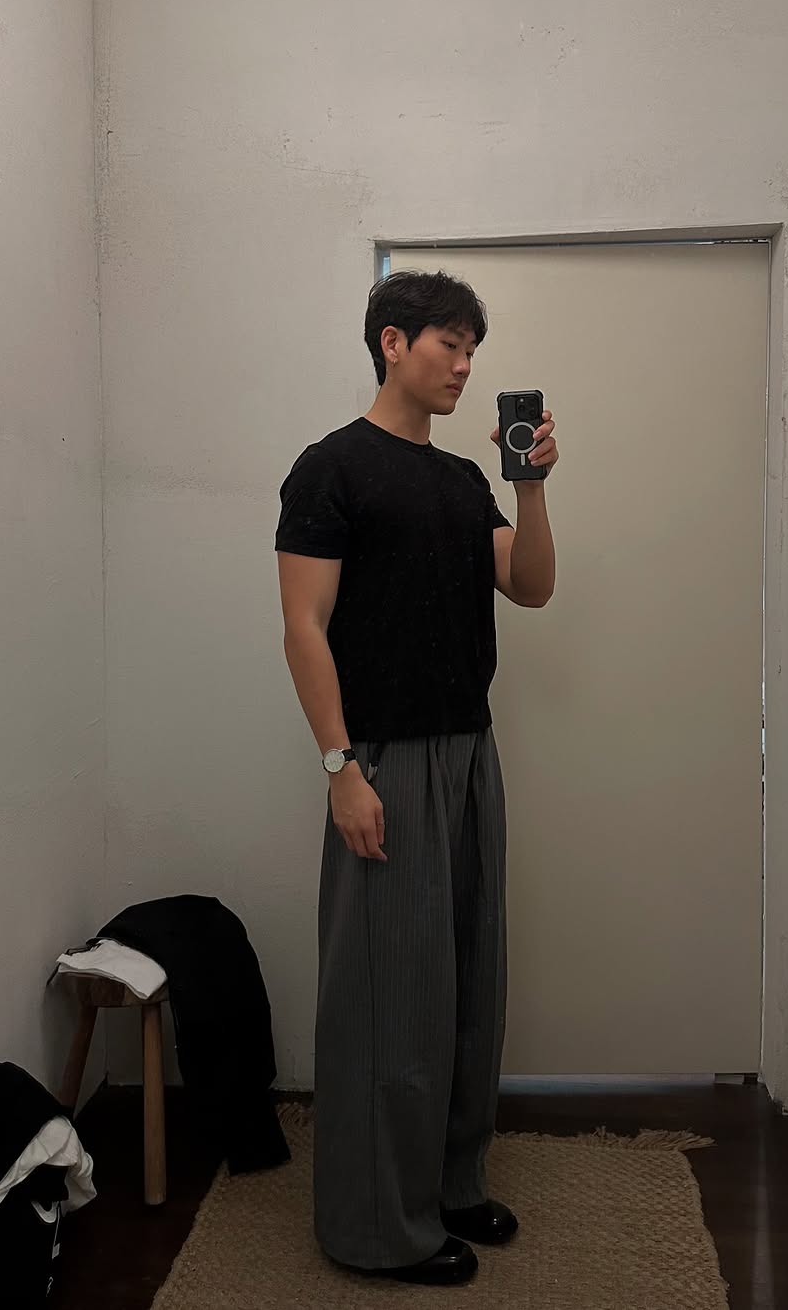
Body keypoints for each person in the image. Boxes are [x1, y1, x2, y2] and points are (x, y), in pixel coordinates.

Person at [274, 269, 558, 1286]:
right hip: (383, 760)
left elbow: (531, 585)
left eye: (473, 349)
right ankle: (375, 1228)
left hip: (469, 753)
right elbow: (304, 626)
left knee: (467, 989)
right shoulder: (330, 469)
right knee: (388, 1001)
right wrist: (341, 768)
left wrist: (531, 485)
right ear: (393, 343)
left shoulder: (463, 481)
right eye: (450, 344)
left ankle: (449, 1183)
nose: (465, 365)